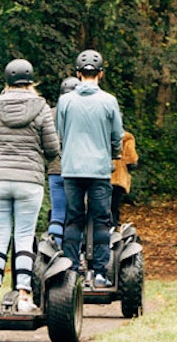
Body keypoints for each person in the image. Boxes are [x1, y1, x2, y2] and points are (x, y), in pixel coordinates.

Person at [0, 58, 60, 314]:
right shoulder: (41, 107)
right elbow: (53, 147)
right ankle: (24, 297)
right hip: (28, 181)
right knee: (24, 238)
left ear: (7, 81)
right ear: (30, 81)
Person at [56, 49, 124, 286]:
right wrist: (114, 152)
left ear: (77, 73)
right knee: (102, 220)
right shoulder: (109, 101)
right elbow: (118, 135)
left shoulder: (65, 101)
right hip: (99, 170)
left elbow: (61, 133)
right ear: (101, 74)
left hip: (72, 169)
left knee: (73, 220)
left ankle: (72, 271)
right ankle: (100, 273)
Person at [46, 76, 79, 246]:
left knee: (57, 214)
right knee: (77, 215)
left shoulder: (50, 114)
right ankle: (78, 255)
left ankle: (54, 253)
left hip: (55, 169)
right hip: (78, 170)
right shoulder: (83, 113)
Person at [110, 128, 139, 225]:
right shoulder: (127, 138)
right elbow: (131, 160)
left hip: (98, 176)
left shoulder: (99, 135)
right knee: (114, 208)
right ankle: (113, 230)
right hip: (118, 177)